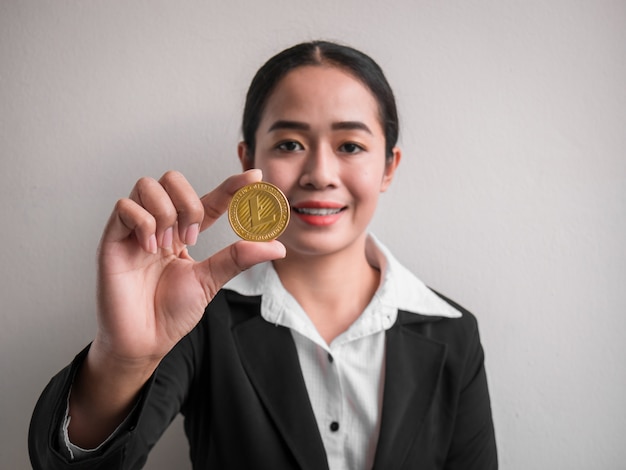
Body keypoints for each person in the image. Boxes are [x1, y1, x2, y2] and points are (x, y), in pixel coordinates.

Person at [28, 40, 497, 470]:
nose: (319, 173)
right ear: (249, 158)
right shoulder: (197, 320)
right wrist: (122, 360)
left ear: (389, 166)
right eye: (290, 144)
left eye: (350, 145)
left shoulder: (454, 333)